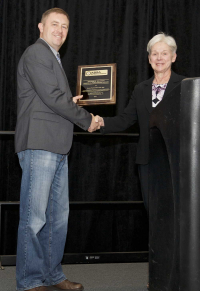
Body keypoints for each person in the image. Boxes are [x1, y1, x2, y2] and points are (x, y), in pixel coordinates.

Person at [15, 7, 100, 291]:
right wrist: (87, 119)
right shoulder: (37, 52)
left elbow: (50, 98)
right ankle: (29, 280)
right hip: (40, 144)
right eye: (54, 24)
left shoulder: (53, 58)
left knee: (57, 218)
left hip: (58, 146)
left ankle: (52, 276)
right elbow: (52, 98)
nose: (60, 31)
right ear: (40, 27)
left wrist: (71, 102)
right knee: (34, 217)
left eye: (65, 26)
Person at [89, 32, 185, 211]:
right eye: (154, 54)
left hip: (176, 161)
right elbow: (125, 120)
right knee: (152, 213)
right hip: (147, 160)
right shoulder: (140, 89)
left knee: (176, 214)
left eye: (164, 53)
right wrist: (99, 122)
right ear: (149, 59)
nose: (159, 58)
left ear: (173, 57)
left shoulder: (185, 86)